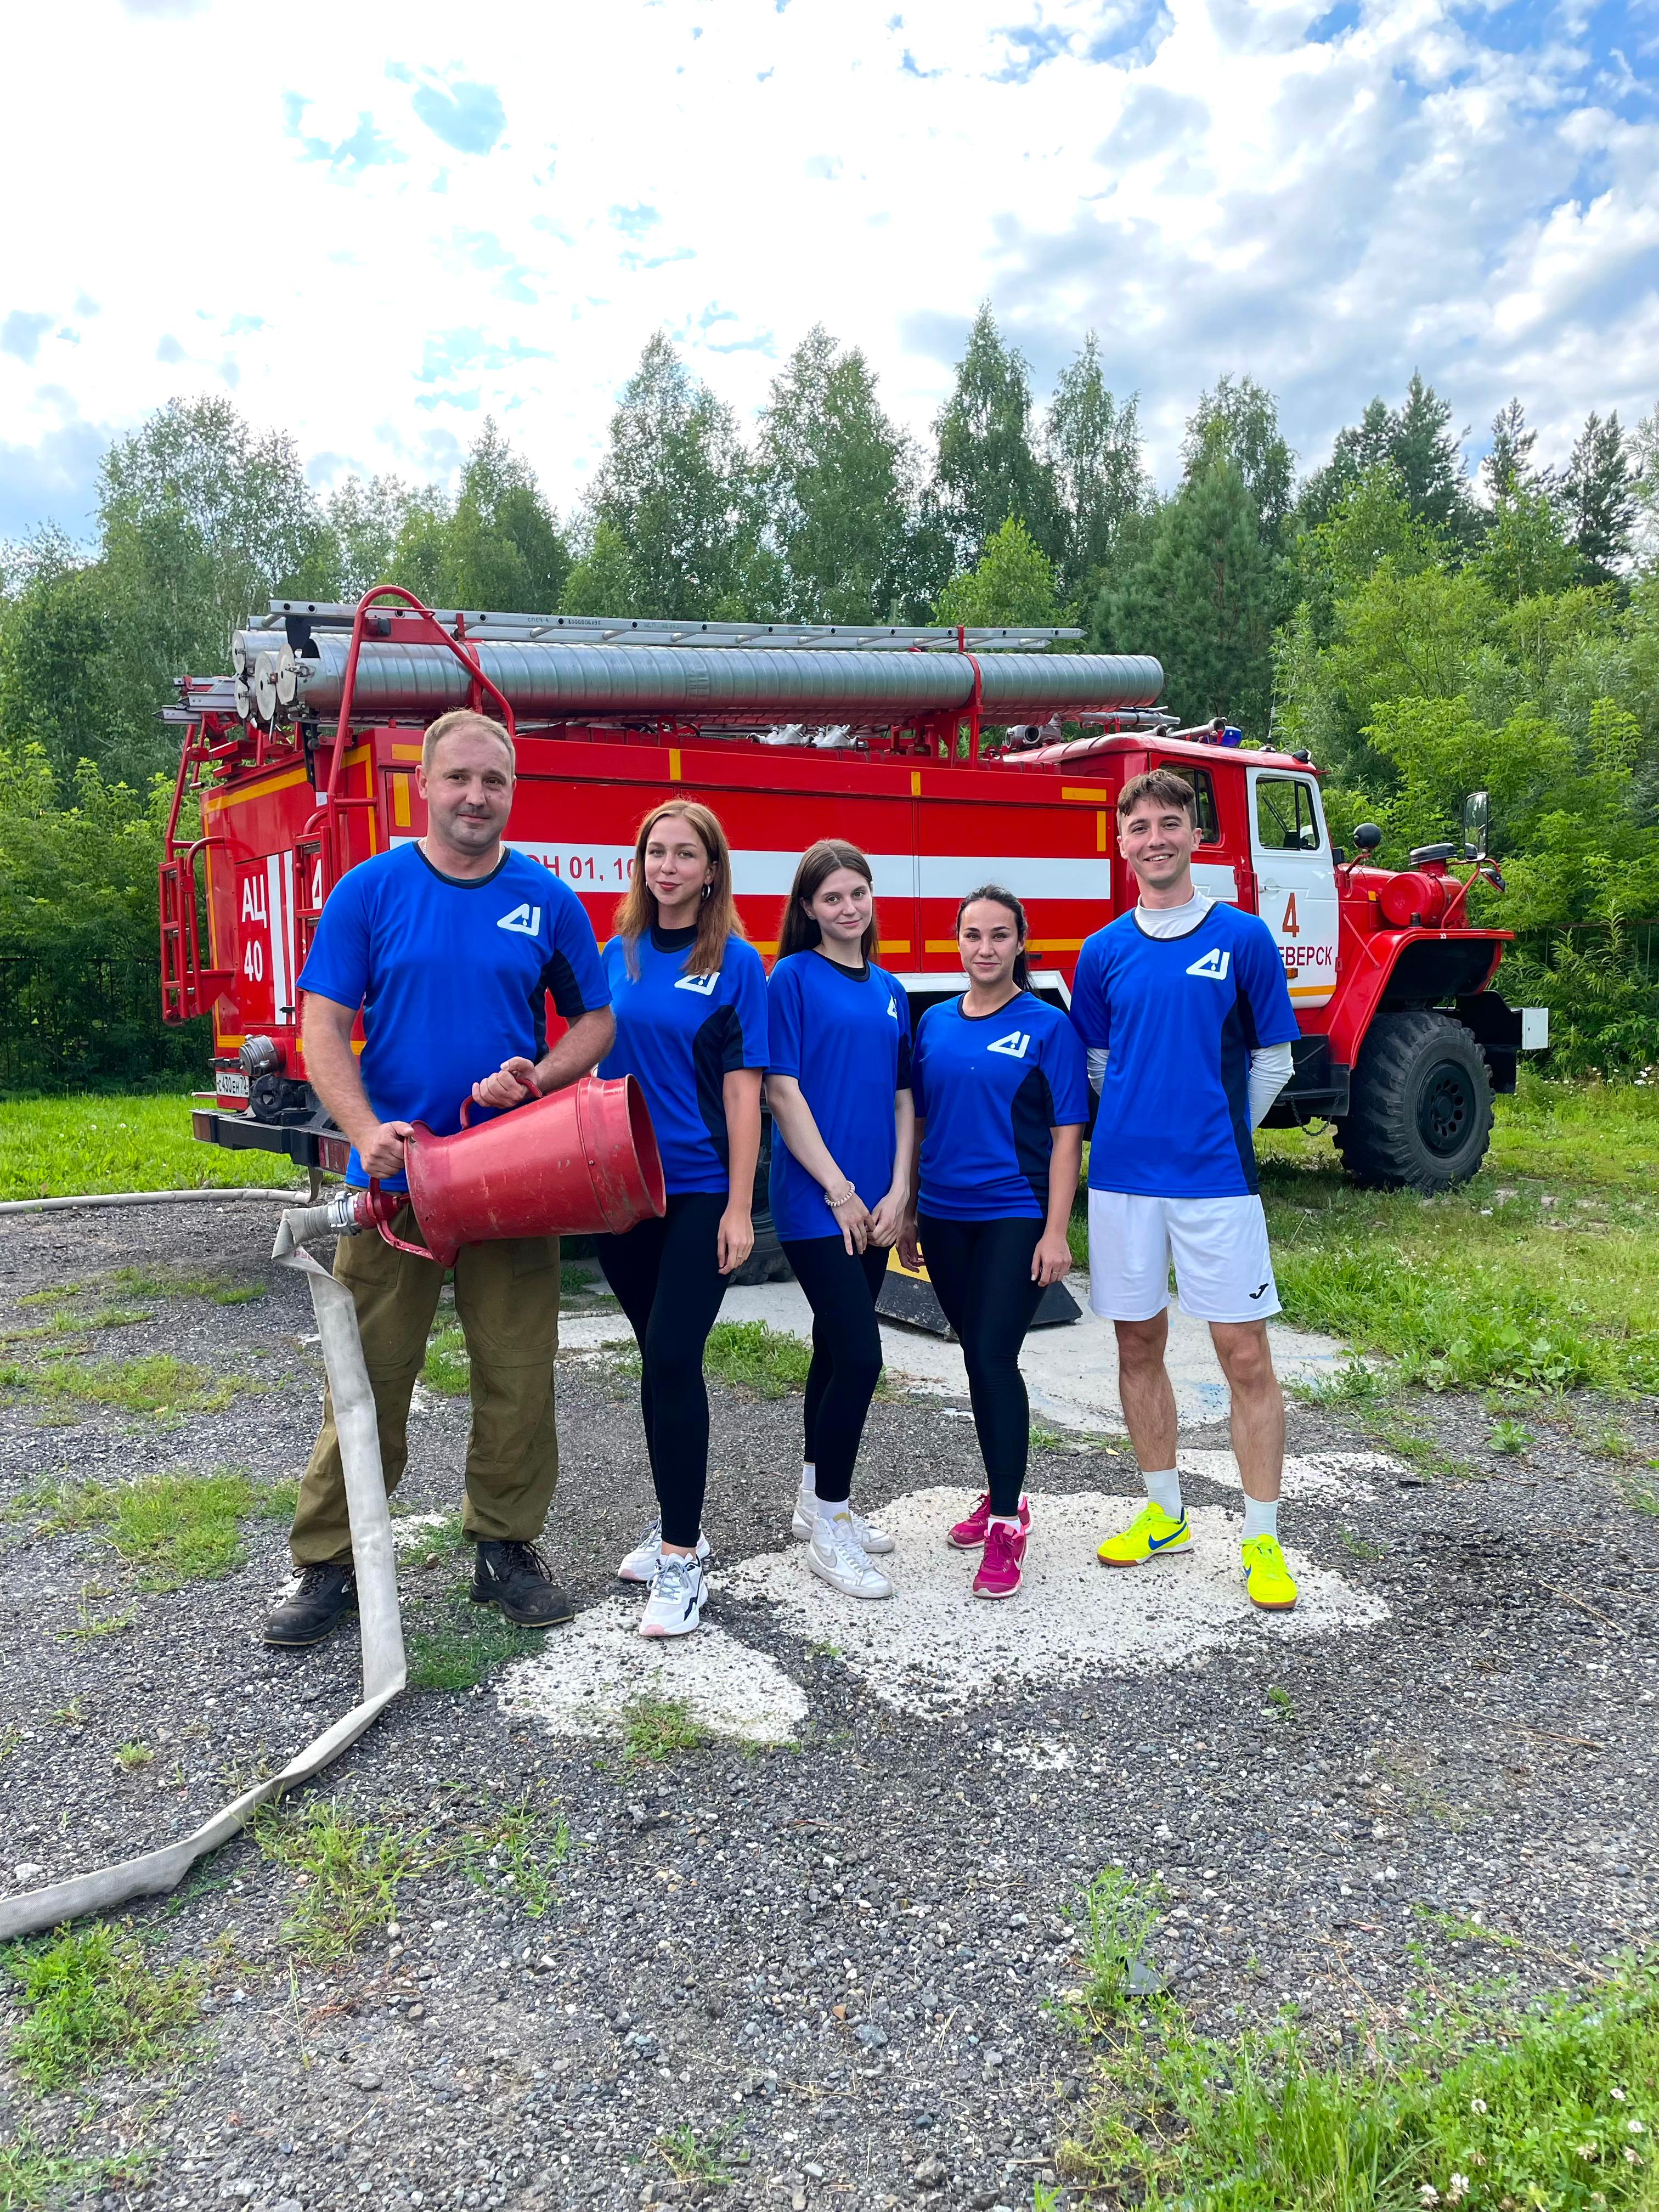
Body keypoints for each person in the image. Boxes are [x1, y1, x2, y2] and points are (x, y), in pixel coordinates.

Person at [264, 708, 616, 1648]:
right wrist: (363, 1130)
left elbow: (596, 1024)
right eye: (458, 778)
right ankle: (329, 1562)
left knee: (517, 1372)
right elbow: (324, 1029)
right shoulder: (370, 891)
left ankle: (505, 1549)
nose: (475, 797)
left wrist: (539, 1078)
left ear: (512, 793)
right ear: (424, 785)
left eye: (493, 782)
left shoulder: (547, 901)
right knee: (370, 1377)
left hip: (513, 1175)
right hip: (395, 1180)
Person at [1070, 767, 1301, 1611]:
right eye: (1140, 827)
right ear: (1122, 842)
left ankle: (1263, 1540)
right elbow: (1101, 1066)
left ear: (1192, 835)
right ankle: (1164, 1514)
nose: (1156, 839)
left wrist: (1219, 1125)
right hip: (1127, 1182)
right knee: (1138, 1347)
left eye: (1170, 823)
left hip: (1216, 1183)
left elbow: (1275, 1059)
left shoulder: (1243, 940)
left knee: (1244, 1355)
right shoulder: (1101, 953)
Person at [595, 802, 769, 1639]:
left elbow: (745, 1096)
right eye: (655, 851)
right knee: (657, 1361)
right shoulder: (613, 956)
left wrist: (741, 1206)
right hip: (620, 1192)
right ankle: (678, 1518)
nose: (667, 866)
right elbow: (593, 1067)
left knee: (673, 1355)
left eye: (684, 854)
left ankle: (681, 1558)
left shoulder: (737, 965)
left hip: (698, 1189)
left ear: (710, 870)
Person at [898, 887, 1088, 1600]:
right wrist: (912, 1210)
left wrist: (1057, 1231)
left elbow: (1068, 1133)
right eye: (973, 935)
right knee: (979, 1357)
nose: (985, 948)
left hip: (1014, 1215)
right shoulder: (935, 1023)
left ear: (1019, 942)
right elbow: (919, 1122)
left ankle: (1007, 1522)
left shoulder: (1047, 1027)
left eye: (999, 936)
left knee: (990, 1354)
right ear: (958, 941)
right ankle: (1002, 1489)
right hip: (943, 1218)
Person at [765, 840, 914, 1601]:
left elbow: (900, 1098)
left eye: (858, 893)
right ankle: (830, 1530)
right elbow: (783, 1093)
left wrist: (897, 1191)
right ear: (809, 909)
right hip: (817, 1202)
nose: (848, 908)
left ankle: (815, 1502)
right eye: (832, 898)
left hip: (873, 1202)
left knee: (833, 1350)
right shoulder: (789, 979)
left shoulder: (890, 988)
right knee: (862, 1358)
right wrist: (841, 1190)